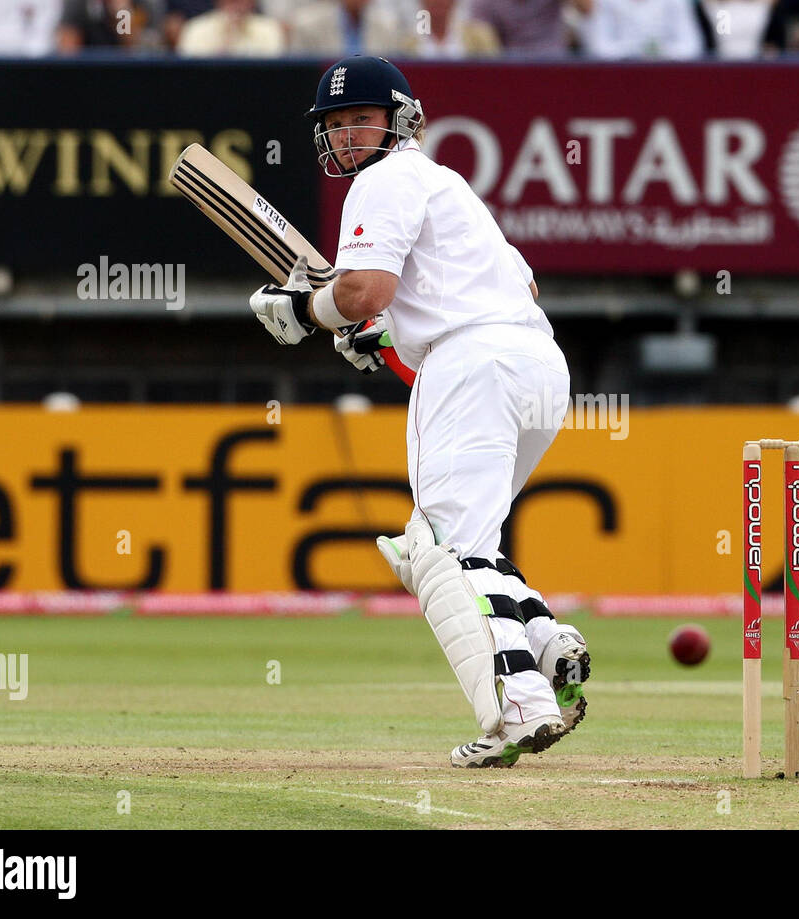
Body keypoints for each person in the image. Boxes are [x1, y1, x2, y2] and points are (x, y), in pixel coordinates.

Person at [246, 57, 591, 768]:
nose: (344, 135)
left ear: (401, 118)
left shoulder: (384, 179)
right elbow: (499, 284)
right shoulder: (446, 183)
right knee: (461, 539)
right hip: (536, 361)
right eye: (334, 125)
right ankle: (548, 639)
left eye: (357, 119)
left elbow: (365, 288)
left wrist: (305, 310)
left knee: (444, 548)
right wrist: (383, 334)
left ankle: (523, 708)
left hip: (473, 365)